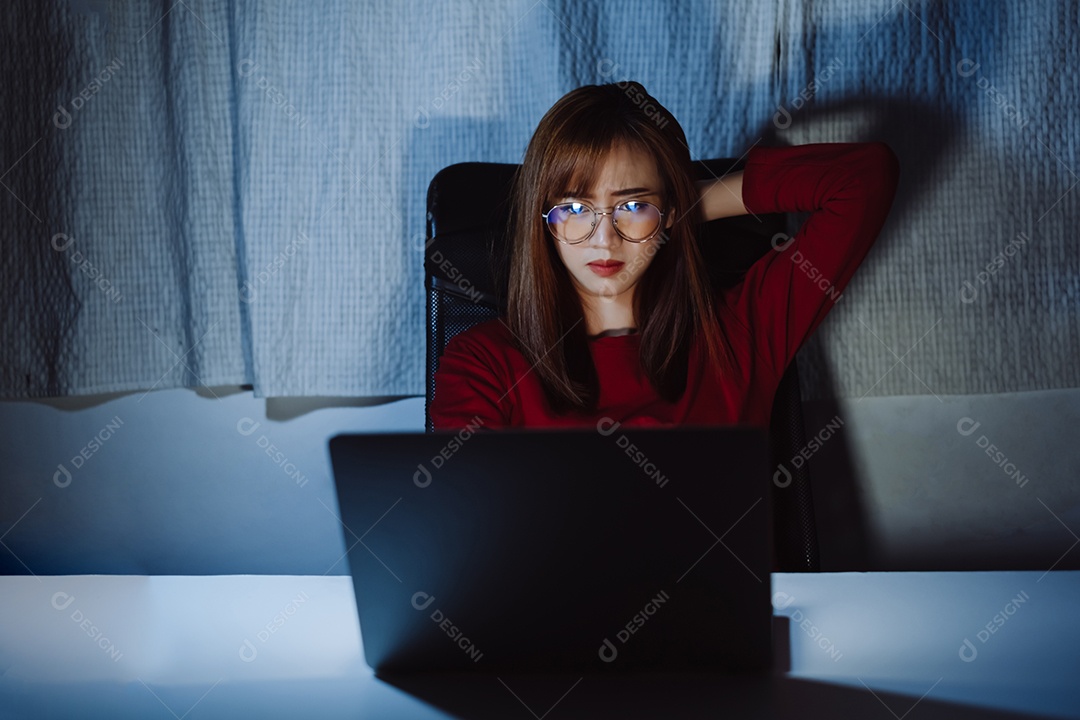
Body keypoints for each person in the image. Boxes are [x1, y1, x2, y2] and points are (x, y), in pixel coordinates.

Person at [430, 81, 899, 431]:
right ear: (542, 218)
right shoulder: (484, 362)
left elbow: (863, 180)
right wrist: (651, 211)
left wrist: (681, 206)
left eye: (632, 206)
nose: (604, 239)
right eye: (575, 208)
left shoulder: (739, 333)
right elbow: (464, 533)